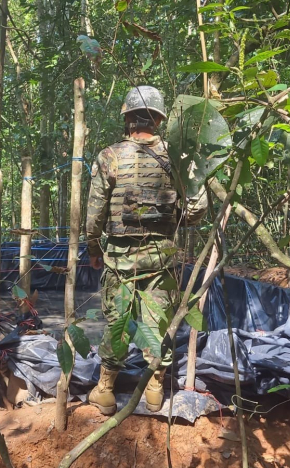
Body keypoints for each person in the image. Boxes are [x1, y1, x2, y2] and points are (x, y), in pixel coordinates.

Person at [85, 85, 207, 415]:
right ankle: (154, 392)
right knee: (158, 324)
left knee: (117, 323)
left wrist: (93, 247)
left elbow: (95, 213)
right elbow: (197, 208)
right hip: (162, 259)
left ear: (127, 118)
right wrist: (175, 221)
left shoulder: (110, 156)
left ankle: (106, 391)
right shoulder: (179, 157)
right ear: (158, 119)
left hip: (121, 261)